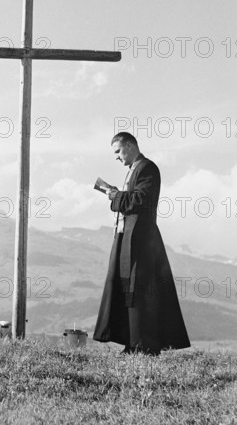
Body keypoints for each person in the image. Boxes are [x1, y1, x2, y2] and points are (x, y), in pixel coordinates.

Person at [93, 132, 190, 355]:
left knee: (142, 291)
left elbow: (140, 199)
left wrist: (114, 195)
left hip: (143, 241)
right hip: (129, 239)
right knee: (129, 289)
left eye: (118, 151)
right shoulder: (133, 170)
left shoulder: (147, 168)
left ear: (130, 146)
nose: (116, 157)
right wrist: (116, 195)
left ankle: (145, 344)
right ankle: (132, 341)